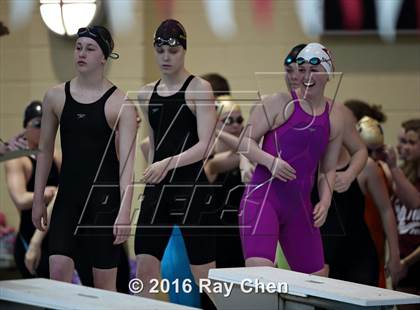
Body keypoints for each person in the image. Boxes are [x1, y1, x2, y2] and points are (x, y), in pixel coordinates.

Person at [218, 42, 344, 275]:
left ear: (328, 74)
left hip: (300, 207)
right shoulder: (278, 102)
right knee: (261, 277)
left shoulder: (335, 115)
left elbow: (327, 168)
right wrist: (270, 161)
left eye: (313, 70)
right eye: (302, 69)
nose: (305, 76)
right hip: (263, 200)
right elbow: (246, 141)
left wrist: (325, 201)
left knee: (317, 279)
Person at [32, 25, 137, 291]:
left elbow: (127, 166)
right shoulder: (55, 96)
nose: (81, 53)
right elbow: (44, 151)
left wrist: (125, 211)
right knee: (57, 274)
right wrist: (38, 199)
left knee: (103, 286)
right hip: (68, 201)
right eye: (78, 47)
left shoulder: (120, 104)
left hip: (104, 204)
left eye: (90, 49)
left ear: (104, 57)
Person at [134, 19, 217, 308]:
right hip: (159, 190)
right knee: (144, 263)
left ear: (184, 51)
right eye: (160, 51)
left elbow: (205, 145)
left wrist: (166, 163)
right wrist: (155, 165)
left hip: (191, 188)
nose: (166, 58)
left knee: (204, 275)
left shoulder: (199, 89)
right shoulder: (147, 93)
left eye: (173, 51)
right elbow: (155, 143)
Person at [4, 101, 58, 278]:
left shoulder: (55, 154)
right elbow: (20, 199)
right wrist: (46, 194)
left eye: (46, 123)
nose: (43, 129)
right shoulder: (17, 160)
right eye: (37, 124)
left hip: (55, 237)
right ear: (25, 128)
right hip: (30, 238)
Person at [206, 95, 245, 268]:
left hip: (244, 234)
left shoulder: (250, 152)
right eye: (228, 120)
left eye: (239, 119)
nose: (236, 125)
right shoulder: (211, 158)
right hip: (218, 238)